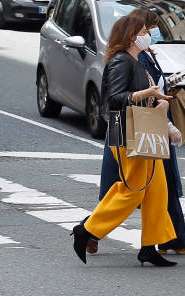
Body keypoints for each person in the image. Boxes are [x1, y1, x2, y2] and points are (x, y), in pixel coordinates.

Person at [71, 13, 178, 267]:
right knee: (132, 191)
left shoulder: (137, 60)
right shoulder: (121, 61)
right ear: (132, 36)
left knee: (157, 191)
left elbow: (140, 96)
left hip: (144, 131)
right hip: (128, 134)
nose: (147, 34)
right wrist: (147, 93)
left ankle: (149, 247)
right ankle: (87, 230)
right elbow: (115, 99)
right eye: (143, 31)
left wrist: (157, 100)